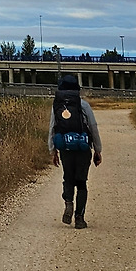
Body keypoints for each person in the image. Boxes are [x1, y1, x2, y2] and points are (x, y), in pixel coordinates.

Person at [49, 74, 102, 228]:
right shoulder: (83, 105)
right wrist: (98, 150)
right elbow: (93, 127)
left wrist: (53, 151)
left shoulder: (57, 106)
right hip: (83, 148)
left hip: (65, 148)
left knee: (68, 178)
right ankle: (79, 218)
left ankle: (68, 202)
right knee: (81, 183)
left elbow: (52, 128)